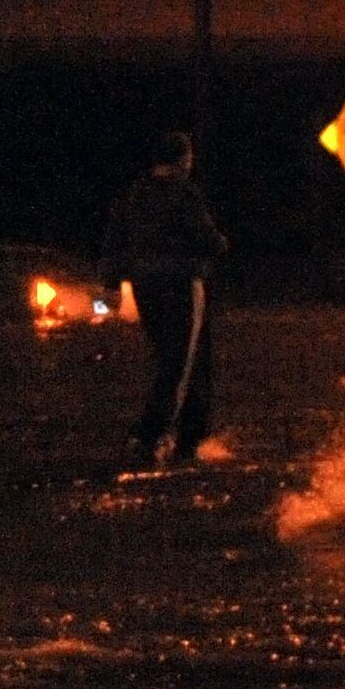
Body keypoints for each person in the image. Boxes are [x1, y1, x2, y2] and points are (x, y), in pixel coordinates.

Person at [97, 133, 229, 469]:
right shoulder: (184, 194)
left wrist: (112, 282)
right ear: (183, 159)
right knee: (184, 362)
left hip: (145, 286)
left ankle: (187, 439)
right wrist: (219, 243)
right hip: (181, 283)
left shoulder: (134, 194)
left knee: (172, 358)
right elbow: (206, 238)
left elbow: (114, 239)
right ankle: (151, 435)